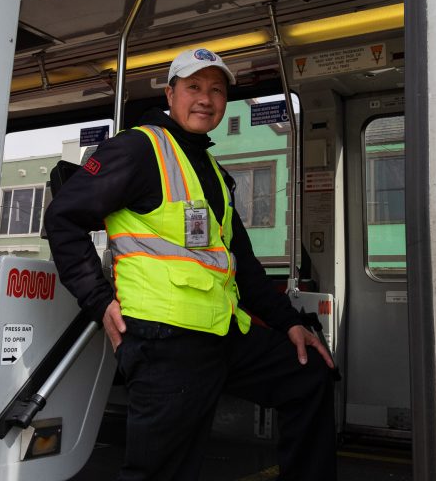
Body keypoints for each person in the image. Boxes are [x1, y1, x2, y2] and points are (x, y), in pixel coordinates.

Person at [44, 47, 338, 481]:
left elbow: (243, 265)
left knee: (310, 376)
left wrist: (290, 323)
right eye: (194, 87)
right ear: (171, 93)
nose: (206, 98)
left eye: (217, 90)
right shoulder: (138, 148)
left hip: (221, 335)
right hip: (164, 341)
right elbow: (62, 219)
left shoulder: (213, 172)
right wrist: (98, 300)